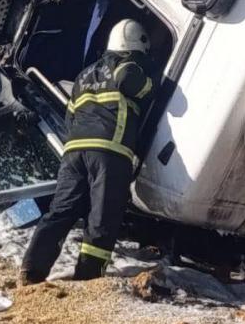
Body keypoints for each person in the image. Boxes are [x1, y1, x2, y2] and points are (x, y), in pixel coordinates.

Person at [20, 19, 153, 285]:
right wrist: (150, 83)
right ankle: (88, 278)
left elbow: (70, 115)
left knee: (61, 211)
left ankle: (32, 270)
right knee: (102, 217)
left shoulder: (84, 75)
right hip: (109, 151)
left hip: (74, 152)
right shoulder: (128, 64)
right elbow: (132, 82)